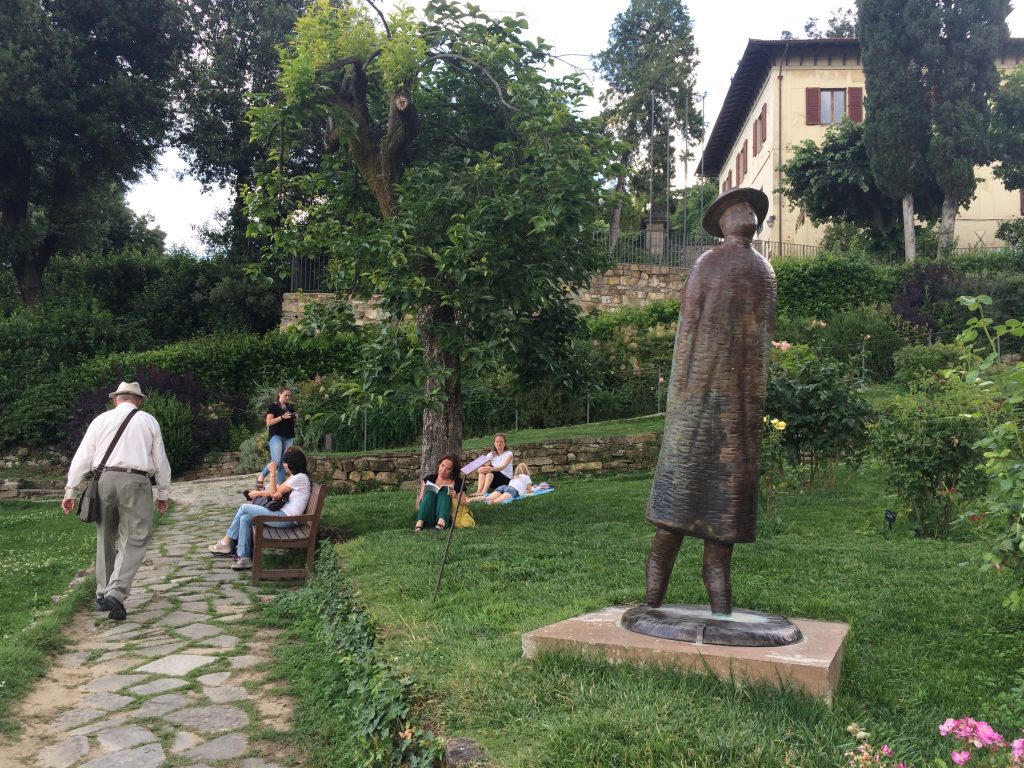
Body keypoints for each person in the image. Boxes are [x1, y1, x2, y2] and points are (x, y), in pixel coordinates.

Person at [643, 187, 776, 617]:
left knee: (710, 531)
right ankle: (654, 604)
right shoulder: (714, 265)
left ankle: (711, 608)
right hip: (705, 406)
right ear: (723, 222)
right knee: (676, 523)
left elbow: (757, 341)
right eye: (737, 208)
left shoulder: (760, 271)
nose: (746, 212)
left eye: (750, 208)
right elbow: (689, 331)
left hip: (727, 410)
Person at [62, 382, 172, 621]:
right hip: (136, 481)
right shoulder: (148, 420)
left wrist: (70, 490)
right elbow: (160, 459)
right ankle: (117, 591)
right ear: (139, 400)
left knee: (105, 535)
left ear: (116, 399)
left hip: (103, 480)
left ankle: (103, 594)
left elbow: (83, 456)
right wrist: (163, 493)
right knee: (136, 535)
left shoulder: (100, 420)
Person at [209, 445, 311, 570]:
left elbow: (274, 493)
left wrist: (272, 473)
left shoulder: (299, 478)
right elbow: (276, 492)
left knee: (244, 508)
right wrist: (272, 490)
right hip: (283, 515)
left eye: (286, 462)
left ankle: (225, 543)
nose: (284, 465)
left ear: (292, 463)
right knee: (245, 518)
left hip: (286, 518)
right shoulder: (297, 477)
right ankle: (244, 558)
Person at [256, 387, 296, 487]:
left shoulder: (289, 406)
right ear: (279, 394)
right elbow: (269, 422)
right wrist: (282, 417)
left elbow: (293, 422)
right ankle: (261, 476)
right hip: (276, 436)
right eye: (285, 395)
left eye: (289, 396)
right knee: (276, 461)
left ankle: (279, 486)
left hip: (289, 437)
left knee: (284, 462)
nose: (287, 397)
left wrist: (295, 417)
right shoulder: (273, 406)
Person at [414, 454, 465, 531]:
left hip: (447, 512)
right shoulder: (429, 479)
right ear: (439, 465)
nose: (443, 470)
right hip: (429, 511)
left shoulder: (458, 482)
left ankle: (441, 523)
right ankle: (419, 523)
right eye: (442, 466)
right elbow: (421, 499)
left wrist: (456, 496)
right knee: (429, 493)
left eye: (448, 469)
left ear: (452, 471)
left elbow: (465, 501)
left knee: (444, 492)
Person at [469, 433, 513, 497]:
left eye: (501, 441)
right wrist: (480, 469)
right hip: (494, 481)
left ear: (504, 443)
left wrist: (491, 468)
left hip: (506, 481)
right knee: (485, 470)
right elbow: (484, 466)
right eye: (497, 441)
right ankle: (478, 491)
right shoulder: (491, 454)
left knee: (490, 470)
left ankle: (484, 492)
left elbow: (503, 466)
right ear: (494, 443)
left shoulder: (509, 453)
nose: (499, 443)